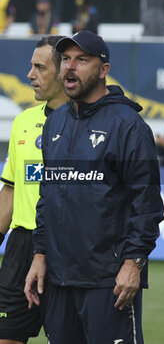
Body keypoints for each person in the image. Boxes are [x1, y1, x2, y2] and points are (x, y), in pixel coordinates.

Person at [24, 30, 164, 344]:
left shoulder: (128, 125)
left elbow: (147, 205)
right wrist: (40, 255)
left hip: (108, 280)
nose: (70, 67)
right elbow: (47, 197)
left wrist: (134, 264)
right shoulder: (55, 123)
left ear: (103, 70)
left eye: (82, 60)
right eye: (66, 60)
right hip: (58, 281)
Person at [0, 35, 68, 344]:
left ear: (63, 71)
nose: (30, 75)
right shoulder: (23, 121)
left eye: (39, 67)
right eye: (31, 66)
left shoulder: (90, 125)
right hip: (21, 246)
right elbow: (11, 191)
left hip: (67, 247)